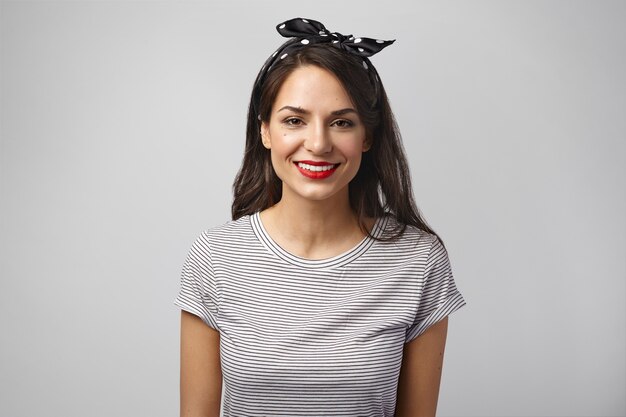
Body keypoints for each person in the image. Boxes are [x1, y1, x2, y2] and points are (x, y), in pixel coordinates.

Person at [175, 17, 466, 417]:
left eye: (341, 122)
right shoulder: (214, 257)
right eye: (294, 120)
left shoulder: (418, 260)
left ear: (366, 137)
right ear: (265, 131)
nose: (317, 143)